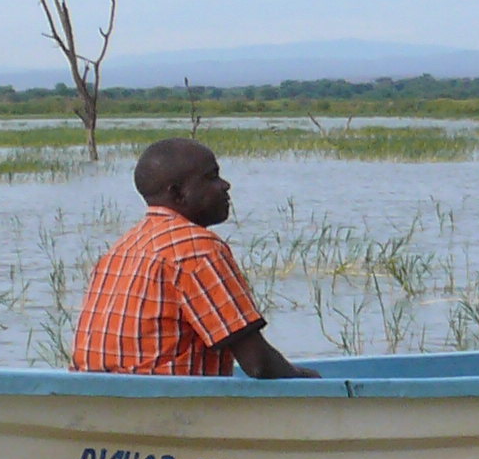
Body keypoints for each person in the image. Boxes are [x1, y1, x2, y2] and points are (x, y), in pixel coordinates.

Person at [69, 137, 312, 377]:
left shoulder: (123, 246)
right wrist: (308, 379)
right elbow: (258, 364)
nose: (225, 185)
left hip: (101, 398)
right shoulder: (196, 247)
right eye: (212, 177)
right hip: (167, 402)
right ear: (178, 194)